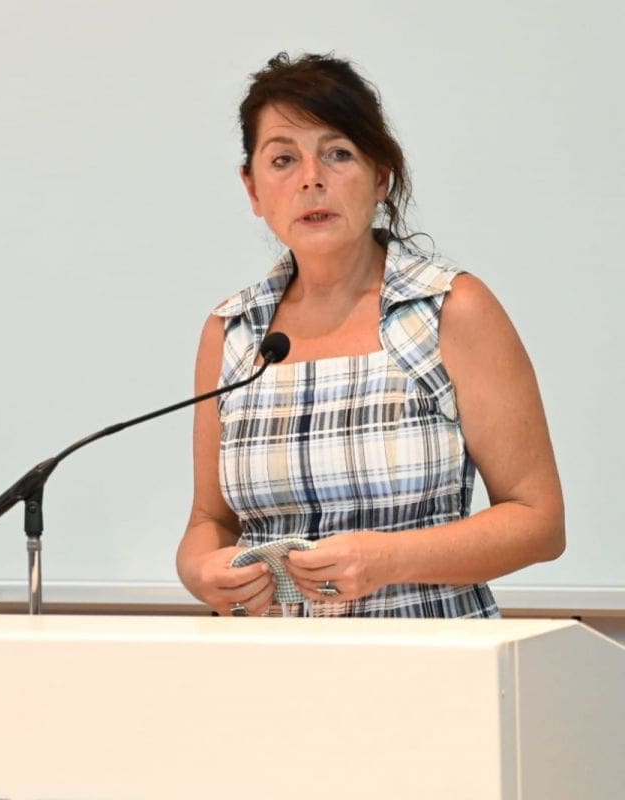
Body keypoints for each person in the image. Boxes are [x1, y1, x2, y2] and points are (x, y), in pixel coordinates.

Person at [176, 53, 564, 618]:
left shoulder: (448, 308)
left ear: (381, 177)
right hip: (267, 657)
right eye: (283, 159)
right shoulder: (233, 330)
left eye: (338, 153)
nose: (311, 178)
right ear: (253, 189)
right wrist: (199, 571)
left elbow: (538, 521)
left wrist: (390, 560)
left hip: (428, 651)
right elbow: (210, 521)